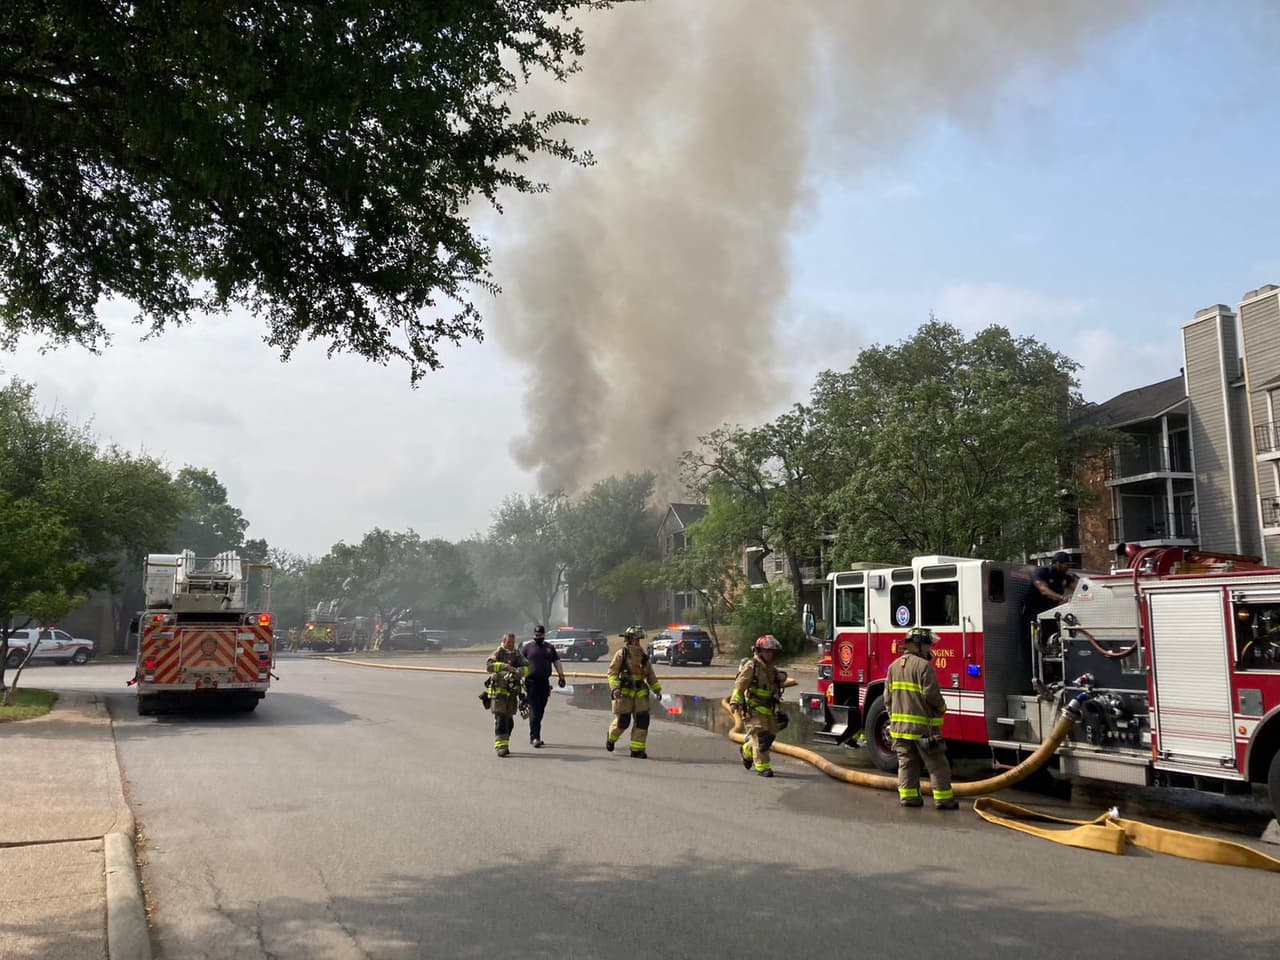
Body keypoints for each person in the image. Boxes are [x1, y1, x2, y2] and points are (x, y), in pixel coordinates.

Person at [886, 626, 957, 809]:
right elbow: (931, 695)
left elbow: (887, 698)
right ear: (917, 646)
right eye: (927, 646)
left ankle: (909, 798)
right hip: (923, 730)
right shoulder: (924, 667)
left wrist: (895, 719)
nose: (929, 650)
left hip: (899, 729)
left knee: (906, 764)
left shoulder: (893, 667)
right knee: (937, 765)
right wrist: (942, 708)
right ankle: (943, 799)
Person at [731, 634, 788, 778]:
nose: (769, 654)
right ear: (759, 651)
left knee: (770, 735)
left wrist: (781, 678)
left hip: (768, 708)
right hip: (752, 708)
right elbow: (739, 686)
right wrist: (735, 702)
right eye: (766, 651)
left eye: (771, 651)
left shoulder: (770, 668)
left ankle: (747, 750)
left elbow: (777, 681)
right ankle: (763, 766)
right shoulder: (752, 666)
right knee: (761, 737)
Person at [606, 626, 661, 758]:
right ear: (629, 640)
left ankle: (637, 750)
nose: (637, 642)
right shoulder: (622, 654)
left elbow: (650, 675)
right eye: (635, 639)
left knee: (642, 721)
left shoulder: (643, 656)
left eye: (639, 639)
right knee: (623, 722)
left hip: (640, 694)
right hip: (624, 694)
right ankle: (611, 737)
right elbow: (612, 673)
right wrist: (615, 689)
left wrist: (657, 689)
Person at [520, 624, 567, 748]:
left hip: (544, 683)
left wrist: (561, 676)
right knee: (534, 710)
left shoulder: (549, 648)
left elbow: (556, 661)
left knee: (540, 709)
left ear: (544, 635)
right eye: (536, 635)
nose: (538, 637)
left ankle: (535, 734)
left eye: (540, 635)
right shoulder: (527, 647)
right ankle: (534, 737)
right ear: (533, 635)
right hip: (531, 683)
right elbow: (519, 662)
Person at [484, 632, 529, 757]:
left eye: (512, 642)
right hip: (498, 693)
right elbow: (489, 666)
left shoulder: (516, 654)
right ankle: (500, 747)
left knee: (509, 721)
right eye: (509, 642)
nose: (510, 645)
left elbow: (528, 667)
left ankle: (505, 742)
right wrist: (505, 667)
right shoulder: (498, 652)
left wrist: (520, 671)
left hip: (512, 693)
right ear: (503, 641)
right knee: (501, 720)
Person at [1028, 551, 1079, 620]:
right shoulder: (1042, 572)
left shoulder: (1064, 576)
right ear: (1058, 563)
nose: (1068, 567)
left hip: (1052, 612)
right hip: (1035, 613)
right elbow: (1044, 590)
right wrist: (1062, 598)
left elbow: (1078, 589)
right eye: (1066, 564)